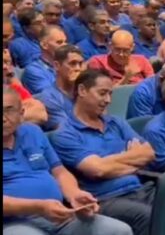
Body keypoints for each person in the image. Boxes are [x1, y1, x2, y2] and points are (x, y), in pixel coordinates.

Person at [3, 87, 134, 235]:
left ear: (21, 114)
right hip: (14, 223)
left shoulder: (33, 132)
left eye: (8, 110)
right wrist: (38, 207)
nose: (3, 118)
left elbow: (59, 172)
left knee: (118, 230)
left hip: (57, 215)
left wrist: (74, 194)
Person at [50, 70, 156, 235]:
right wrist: (132, 160)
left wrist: (108, 162)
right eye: (102, 93)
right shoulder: (65, 134)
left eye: (110, 94)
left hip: (140, 188)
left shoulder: (116, 122)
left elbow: (149, 153)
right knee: (150, 216)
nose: (108, 100)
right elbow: (98, 170)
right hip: (106, 199)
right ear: (82, 90)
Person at [36, 45, 85, 131]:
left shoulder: (85, 92)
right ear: (57, 65)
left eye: (80, 64)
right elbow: (66, 130)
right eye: (72, 64)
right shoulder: (49, 97)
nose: (78, 68)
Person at [87, 30, 154, 86]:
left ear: (132, 48)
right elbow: (102, 92)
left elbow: (152, 85)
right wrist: (126, 78)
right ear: (110, 46)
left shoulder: (142, 60)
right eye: (117, 49)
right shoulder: (98, 62)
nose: (121, 54)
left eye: (125, 50)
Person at [3, 49, 48, 126]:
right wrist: (17, 110)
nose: (4, 67)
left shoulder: (13, 87)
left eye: (6, 62)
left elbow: (41, 114)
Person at [21, 26, 68, 95]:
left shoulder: (67, 65)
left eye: (65, 42)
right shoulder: (33, 71)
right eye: (59, 42)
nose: (65, 46)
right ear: (44, 45)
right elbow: (51, 96)